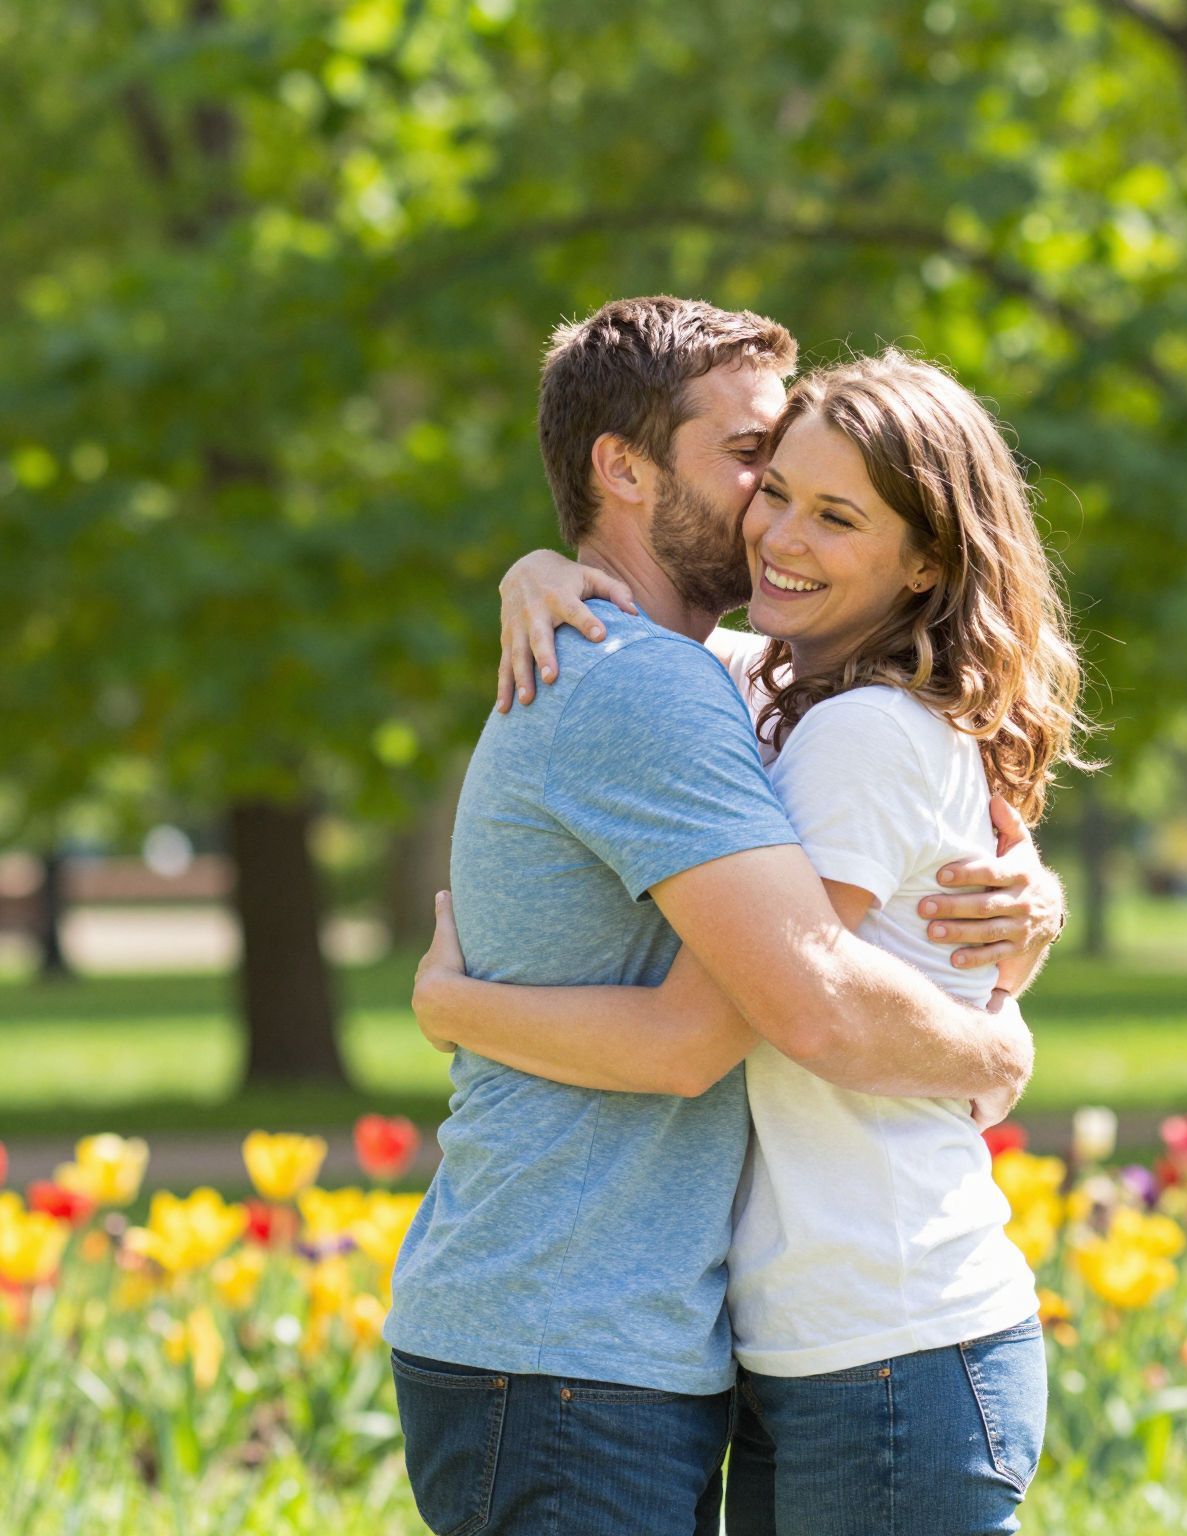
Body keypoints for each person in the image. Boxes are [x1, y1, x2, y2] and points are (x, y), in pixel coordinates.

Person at [388, 300, 1064, 1536]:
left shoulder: (718, 679)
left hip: (627, 1333)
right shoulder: (648, 682)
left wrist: (1033, 905)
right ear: (622, 468)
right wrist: (997, 1052)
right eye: (756, 460)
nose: (771, 510)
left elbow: (914, 787)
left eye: (815, 491)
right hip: (565, 1333)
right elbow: (744, 1021)